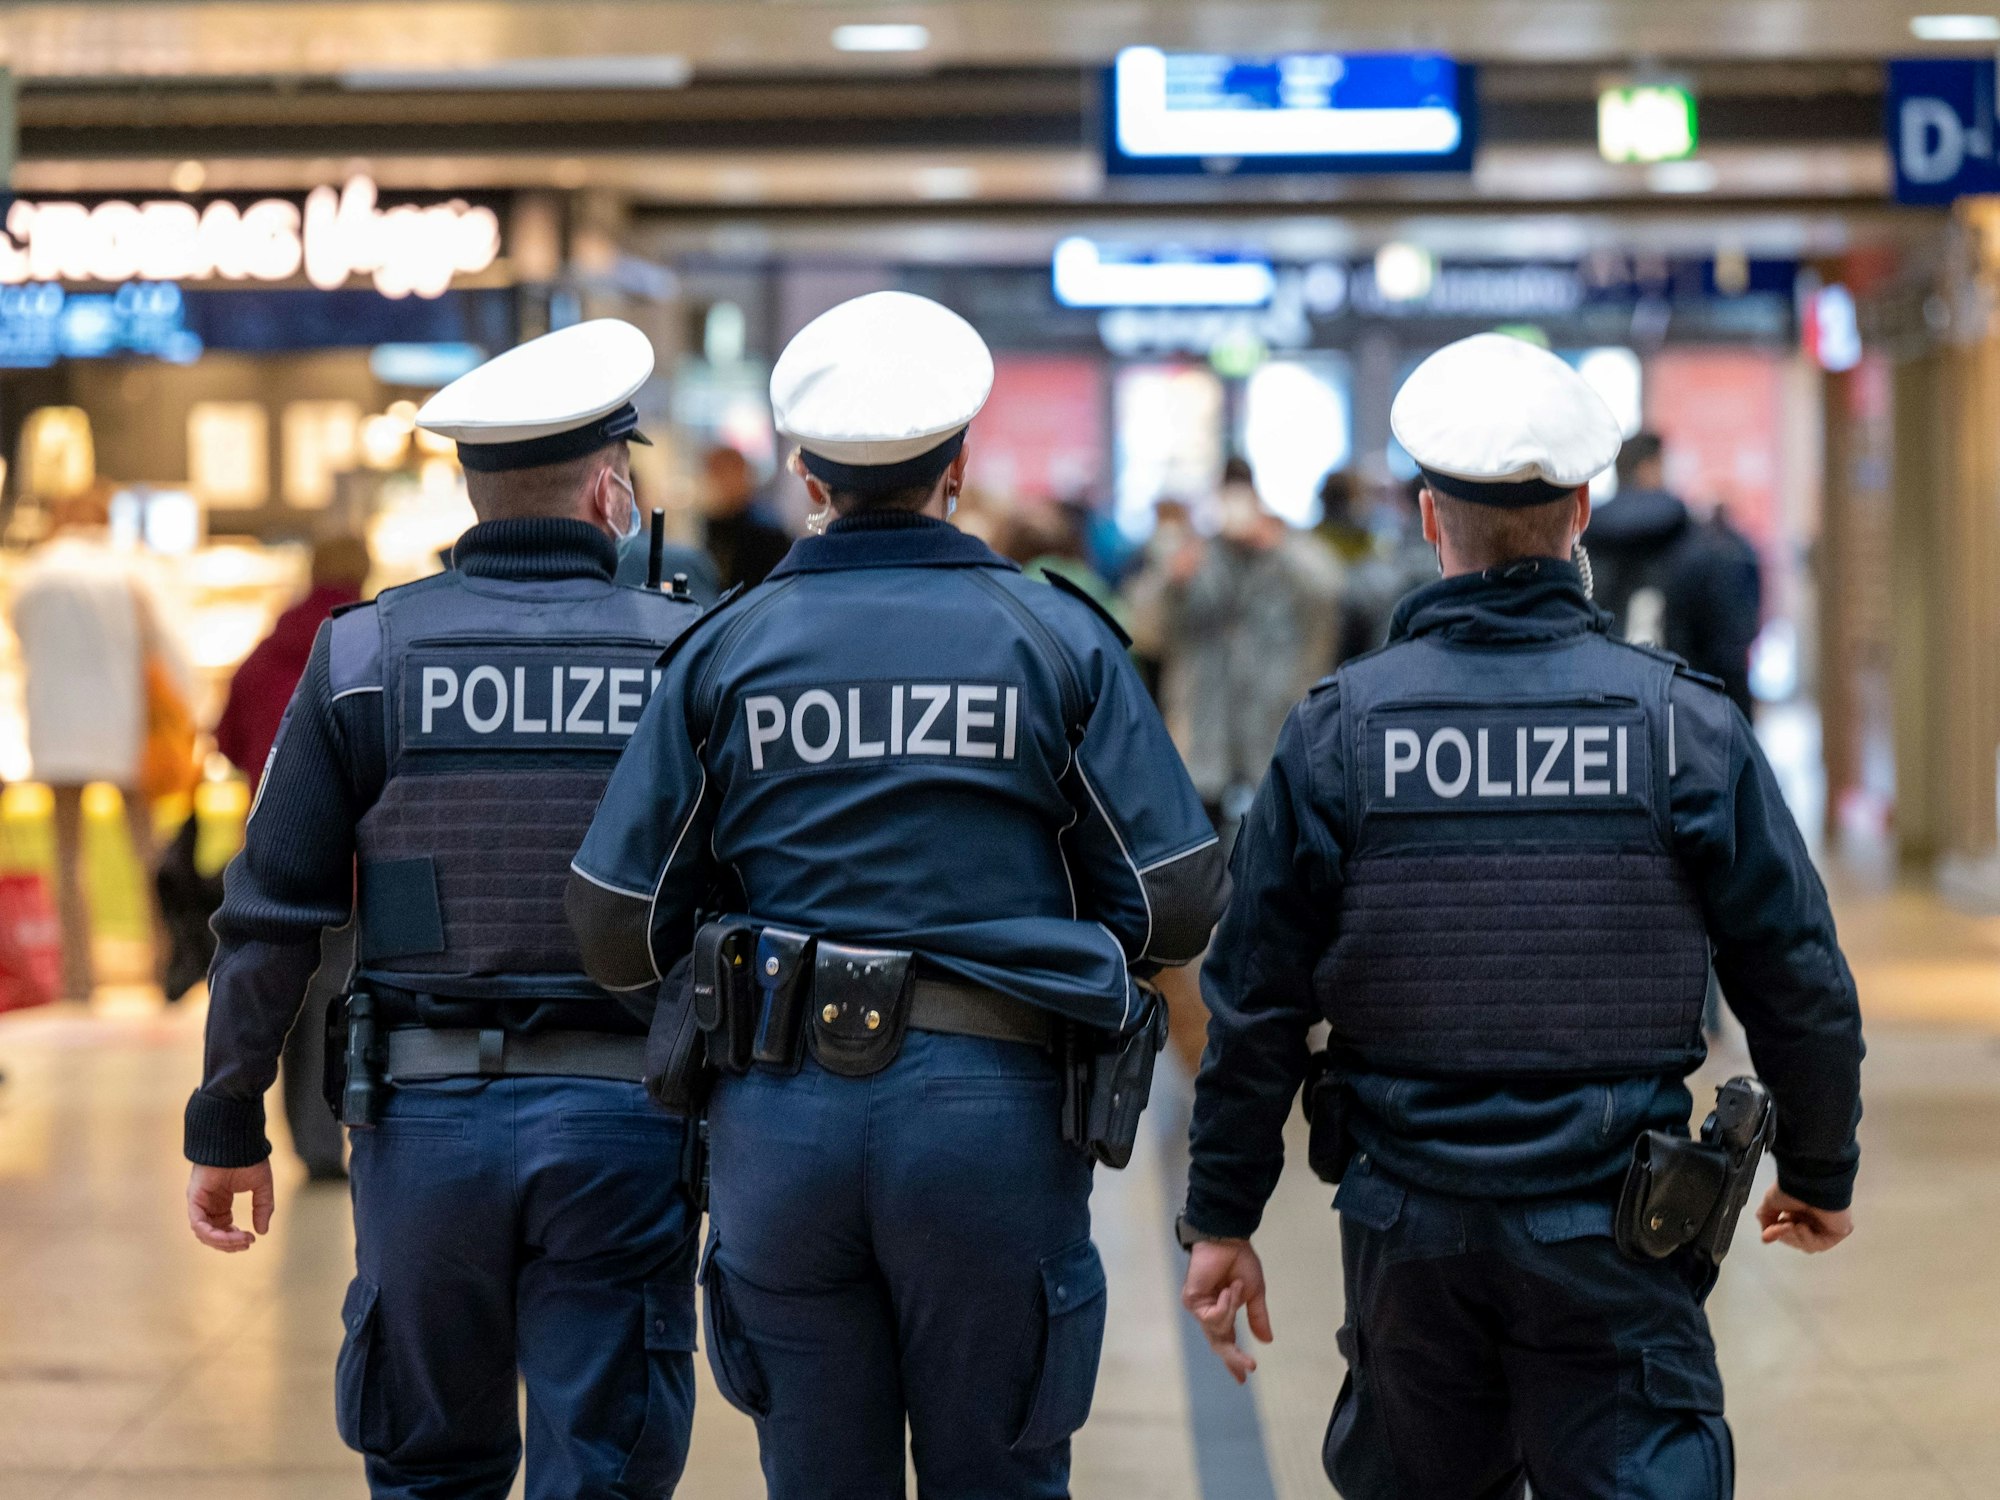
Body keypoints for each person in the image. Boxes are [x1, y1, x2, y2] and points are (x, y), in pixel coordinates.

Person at [1179, 333, 1865, 1500]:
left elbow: (1255, 998)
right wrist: (1818, 1160)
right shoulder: (1677, 726)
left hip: (1407, 1222)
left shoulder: (1340, 730)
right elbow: (1792, 967)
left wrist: (1220, 1216)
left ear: (1426, 514)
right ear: (1582, 511)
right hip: (1619, 1222)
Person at [568, 290, 1228, 1500]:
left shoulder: (723, 648)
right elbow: (1177, 897)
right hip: (994, 1114)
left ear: (805, 478)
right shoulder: (1055, 639)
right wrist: (1066, 948)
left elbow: (617, 917)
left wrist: (730, 977)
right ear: (959, 470)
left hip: (778, 1115)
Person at [183, 320, 705, 1500]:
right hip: (627, 1126)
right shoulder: (686, 658)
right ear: (609, 489)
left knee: (429, 1472)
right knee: (606, 1470)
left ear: (469, 492)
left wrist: (226, 1120)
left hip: (423, 1130)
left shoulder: (363, 654)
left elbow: (269, 913)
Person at [208, 534, 373, 1179]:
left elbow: (224, 740)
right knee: (340, 997)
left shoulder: (267, 650)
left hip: (277, 854)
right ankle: (331, 1137)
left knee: (286, 997)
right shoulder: (366, 643)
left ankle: (302, 1139)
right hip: (357, 862)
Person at [10, 486, 185, 999]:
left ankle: (77, 981)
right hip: (124, 727)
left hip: (54, 729)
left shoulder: (35, 574)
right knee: (147, 853)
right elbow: (164, 647)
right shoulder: (127, 573)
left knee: (67, 857)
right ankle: (163, 962)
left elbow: (20, 637)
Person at [1128, 456, 1342, 834]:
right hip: (1203, 736)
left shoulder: (1290, 553)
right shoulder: (1195, 555)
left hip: (1272, 730)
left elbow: (1330, 590)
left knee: (1274, 842)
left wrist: (1277, 542)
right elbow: (1145, 630)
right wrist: (1173, 577)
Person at [1590, 431, 1761, 720]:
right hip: (1685, 726)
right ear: (1651, 469)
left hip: (1600, 725)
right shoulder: (1701, 546)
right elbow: (1728, 655)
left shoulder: (1581, 547)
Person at [699, 442, 791, 591]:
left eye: (729, 472)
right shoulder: (712, 524)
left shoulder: (767, 530)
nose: (722, 482)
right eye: (716, 473)